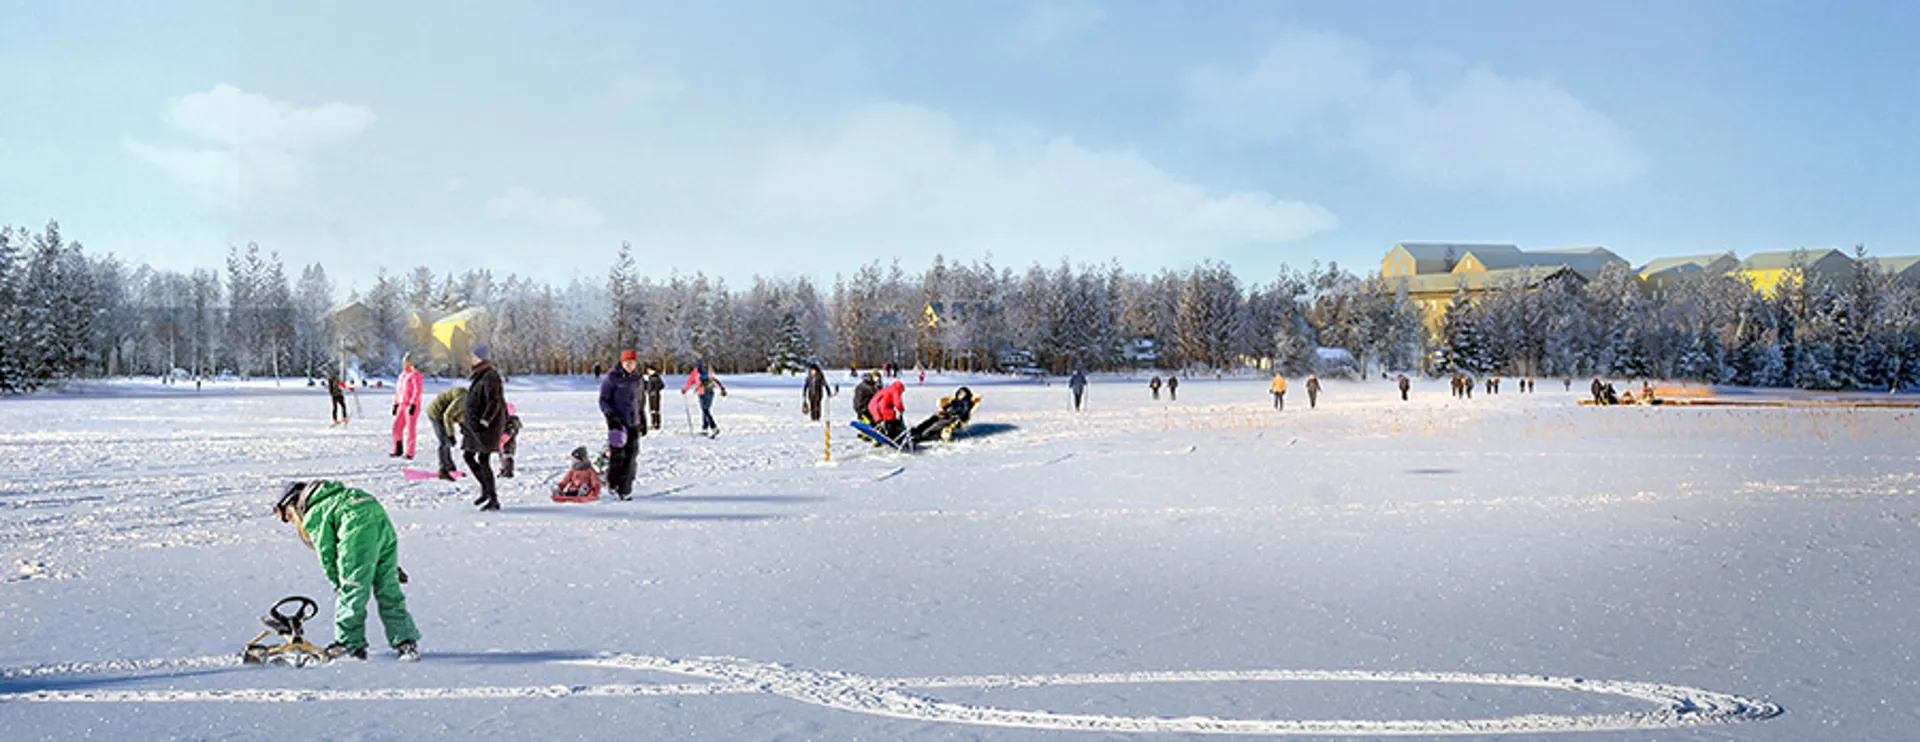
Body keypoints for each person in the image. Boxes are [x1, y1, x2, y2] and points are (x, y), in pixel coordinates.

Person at [273, 480, 419, 662]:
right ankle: (405, 642)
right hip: (377, 516)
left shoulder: (316, 511)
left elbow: (327, 554)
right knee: (388, 588)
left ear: (293, 504)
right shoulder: (340, 496)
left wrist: (339, 584)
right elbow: (372, 537)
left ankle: (350, 645)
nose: (291, 520)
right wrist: (387, 566)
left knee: (352, 590)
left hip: (355, 527)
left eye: (288, 516)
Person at [463, 345, 508, 511]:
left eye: (474, 356)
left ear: (481, 358)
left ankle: (492, 498)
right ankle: (487, 491)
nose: (472, 359)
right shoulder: (480, 374)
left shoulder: (490, 376)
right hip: (476, 425)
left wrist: (485, 421)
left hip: (486, 427)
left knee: (482, 459)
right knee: (469, 456)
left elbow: (494, 401)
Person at [599, 351, 644, 498]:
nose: (630, 365)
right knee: (618, 456)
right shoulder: (612, 378)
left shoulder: (637, 379)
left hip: (633, 422)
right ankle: (613, 484)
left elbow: (640, 401)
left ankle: (625, 490)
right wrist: (610, 417)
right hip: (617, 423)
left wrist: (643, 419)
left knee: (632, 455)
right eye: (627, 362)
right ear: (622, 363)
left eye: (633, 363)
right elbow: (603, 400)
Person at [910, 387, 981, 443]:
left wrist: (956, 417)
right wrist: (947, 409)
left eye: (961, 394)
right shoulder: (957, 401)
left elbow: (964, 414)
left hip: (952, 419)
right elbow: (948, 406)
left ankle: (921, 435)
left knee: (936, 424)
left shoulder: (966, 404)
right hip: (947, 415)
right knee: (932, 419)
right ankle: (918, 430)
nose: (959, 395)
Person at [425, 386, 467, 480]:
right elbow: (448, 416)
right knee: (444, 441)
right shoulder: (463, 399)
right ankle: (443, 470)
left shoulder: (469, 400)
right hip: (436, 413)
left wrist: (463, 426)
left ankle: (450, 467)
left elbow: (460, 413)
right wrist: (451, 435)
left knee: (446, 441)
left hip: (444, 413)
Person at [681, 361, 727, 438]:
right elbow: (714, 380)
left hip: (702, 392)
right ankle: (705, 428)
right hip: (710, 391)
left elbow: (689, 382)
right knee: (706, 410)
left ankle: (714, 427)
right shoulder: (707, 371)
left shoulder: (695, 373)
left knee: (705, 410)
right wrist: (722, 388)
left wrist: (685, 390)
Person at [390, 356, 423, 459]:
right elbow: (398, 391)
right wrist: (396, 404)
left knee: (410, 429)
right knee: (396, 427)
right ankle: (397, 449)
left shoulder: (416, 375)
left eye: (407, 361)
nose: (404, 363)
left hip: (410, 405)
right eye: (404, 361)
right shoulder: (402, 375)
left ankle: (409, 452)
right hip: (401, 404)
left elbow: (417, 390)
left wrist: (413, 403)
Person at [644, 366, 665, 432]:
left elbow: (662, 385)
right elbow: (649, 386)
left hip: (656, 396)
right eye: (647, 370)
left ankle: (656, 424)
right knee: (652, 410)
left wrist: (655, 390)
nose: (648, 371)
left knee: (655, 410)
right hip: (650, 395)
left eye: (649, 370)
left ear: (653, 370)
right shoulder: (650, 377)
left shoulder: (656, 377)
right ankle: (653, 423)